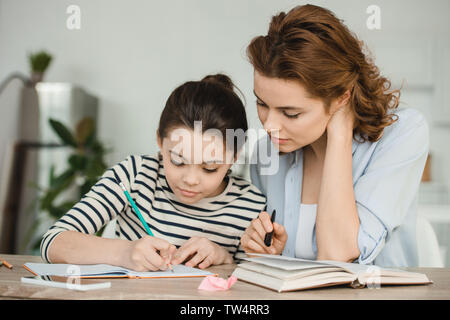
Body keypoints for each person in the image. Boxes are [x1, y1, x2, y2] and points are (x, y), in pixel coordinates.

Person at [240, 4, 429, 267]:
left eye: (291, 113)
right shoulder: (266, 155)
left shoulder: (403, 134)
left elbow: (338, 254)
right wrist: (262, 249)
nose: (269, 125)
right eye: (261, 103)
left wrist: (339, 133)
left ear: (342, 98)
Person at [41, 74, 266, 271]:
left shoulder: (250, 206)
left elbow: (255, 284)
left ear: (235, 156)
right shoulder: (135, 175)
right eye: (177, 161)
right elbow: (53, 242)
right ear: (159, 140)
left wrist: (225, 259)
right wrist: (124, 253)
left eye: (210, 168)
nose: (190, 180)